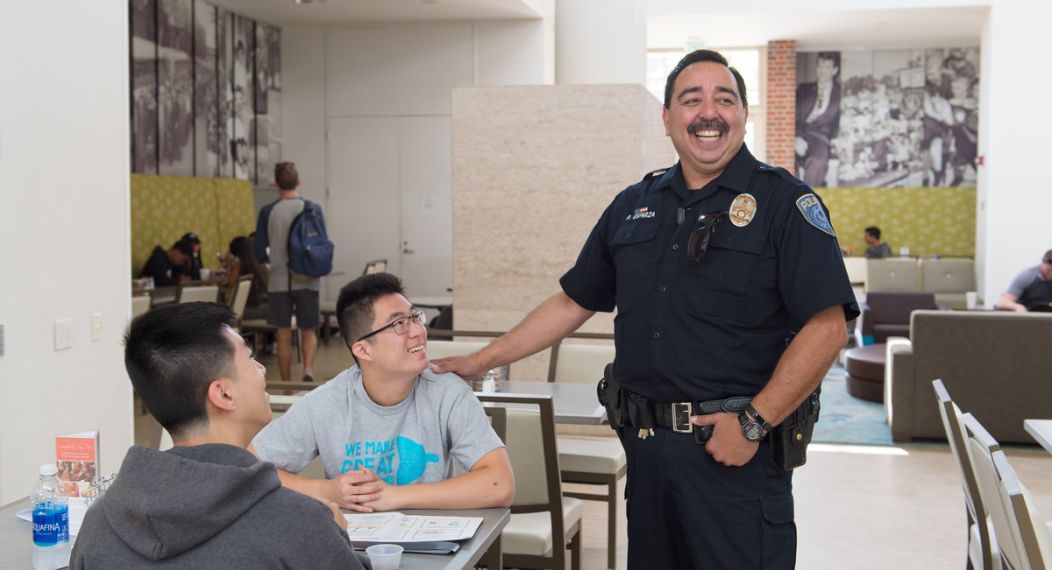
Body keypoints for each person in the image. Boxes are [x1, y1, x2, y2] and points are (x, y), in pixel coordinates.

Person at [432, 49, 858, 569]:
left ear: (744, 115)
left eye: (725, 99)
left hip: (736, 460)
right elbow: (573, 301)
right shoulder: (635, 204)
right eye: (691, 99)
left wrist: (752, 423)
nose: (709, 112)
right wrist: (482, 360)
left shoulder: (784, 204)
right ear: (667, 118)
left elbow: (828, 327)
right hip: (648, 453)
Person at [70, 303, 364, 569]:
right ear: (223, 393)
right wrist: (338, 535)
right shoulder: (300, 522)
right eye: (250, 359)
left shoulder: (98, 524)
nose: (262, 369)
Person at [251, 272, 514, 513]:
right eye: (399, 324)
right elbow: (247, 466)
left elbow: (499, 484)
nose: (418, 331)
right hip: (349, 548)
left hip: (434, 544)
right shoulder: (326, 402)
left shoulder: (447, 392)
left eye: (414, 317)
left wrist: (395, 496)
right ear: (363, 350)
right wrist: (326, 491)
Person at [255, 161, 320, 382]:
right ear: (298, 181)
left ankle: (285, 383)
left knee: (283, 334)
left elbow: (259, 253)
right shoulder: (313, 208)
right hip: (308, 278)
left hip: (279, 281)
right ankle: (308, 370)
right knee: (308, 329)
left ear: (276, 184)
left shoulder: (267, 211)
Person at [795, 51, 841, 187]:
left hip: (820, 139)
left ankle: (808, 203)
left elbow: (840, 121)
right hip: (799, 135)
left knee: (816, 162)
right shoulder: (803, 89)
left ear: (834, 70)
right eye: (819, 66)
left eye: (827, 67)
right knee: (786, 164)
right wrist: (796, 137)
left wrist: (836, 139)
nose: (822, 71)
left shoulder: (840, 93)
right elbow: (794, 114)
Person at [224, 234, 269, 319]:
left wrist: (229, 264)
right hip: (269, 307)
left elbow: (230, 283)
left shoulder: (239, 264)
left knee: (225, 315)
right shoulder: (260, 264)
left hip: (256, 310)